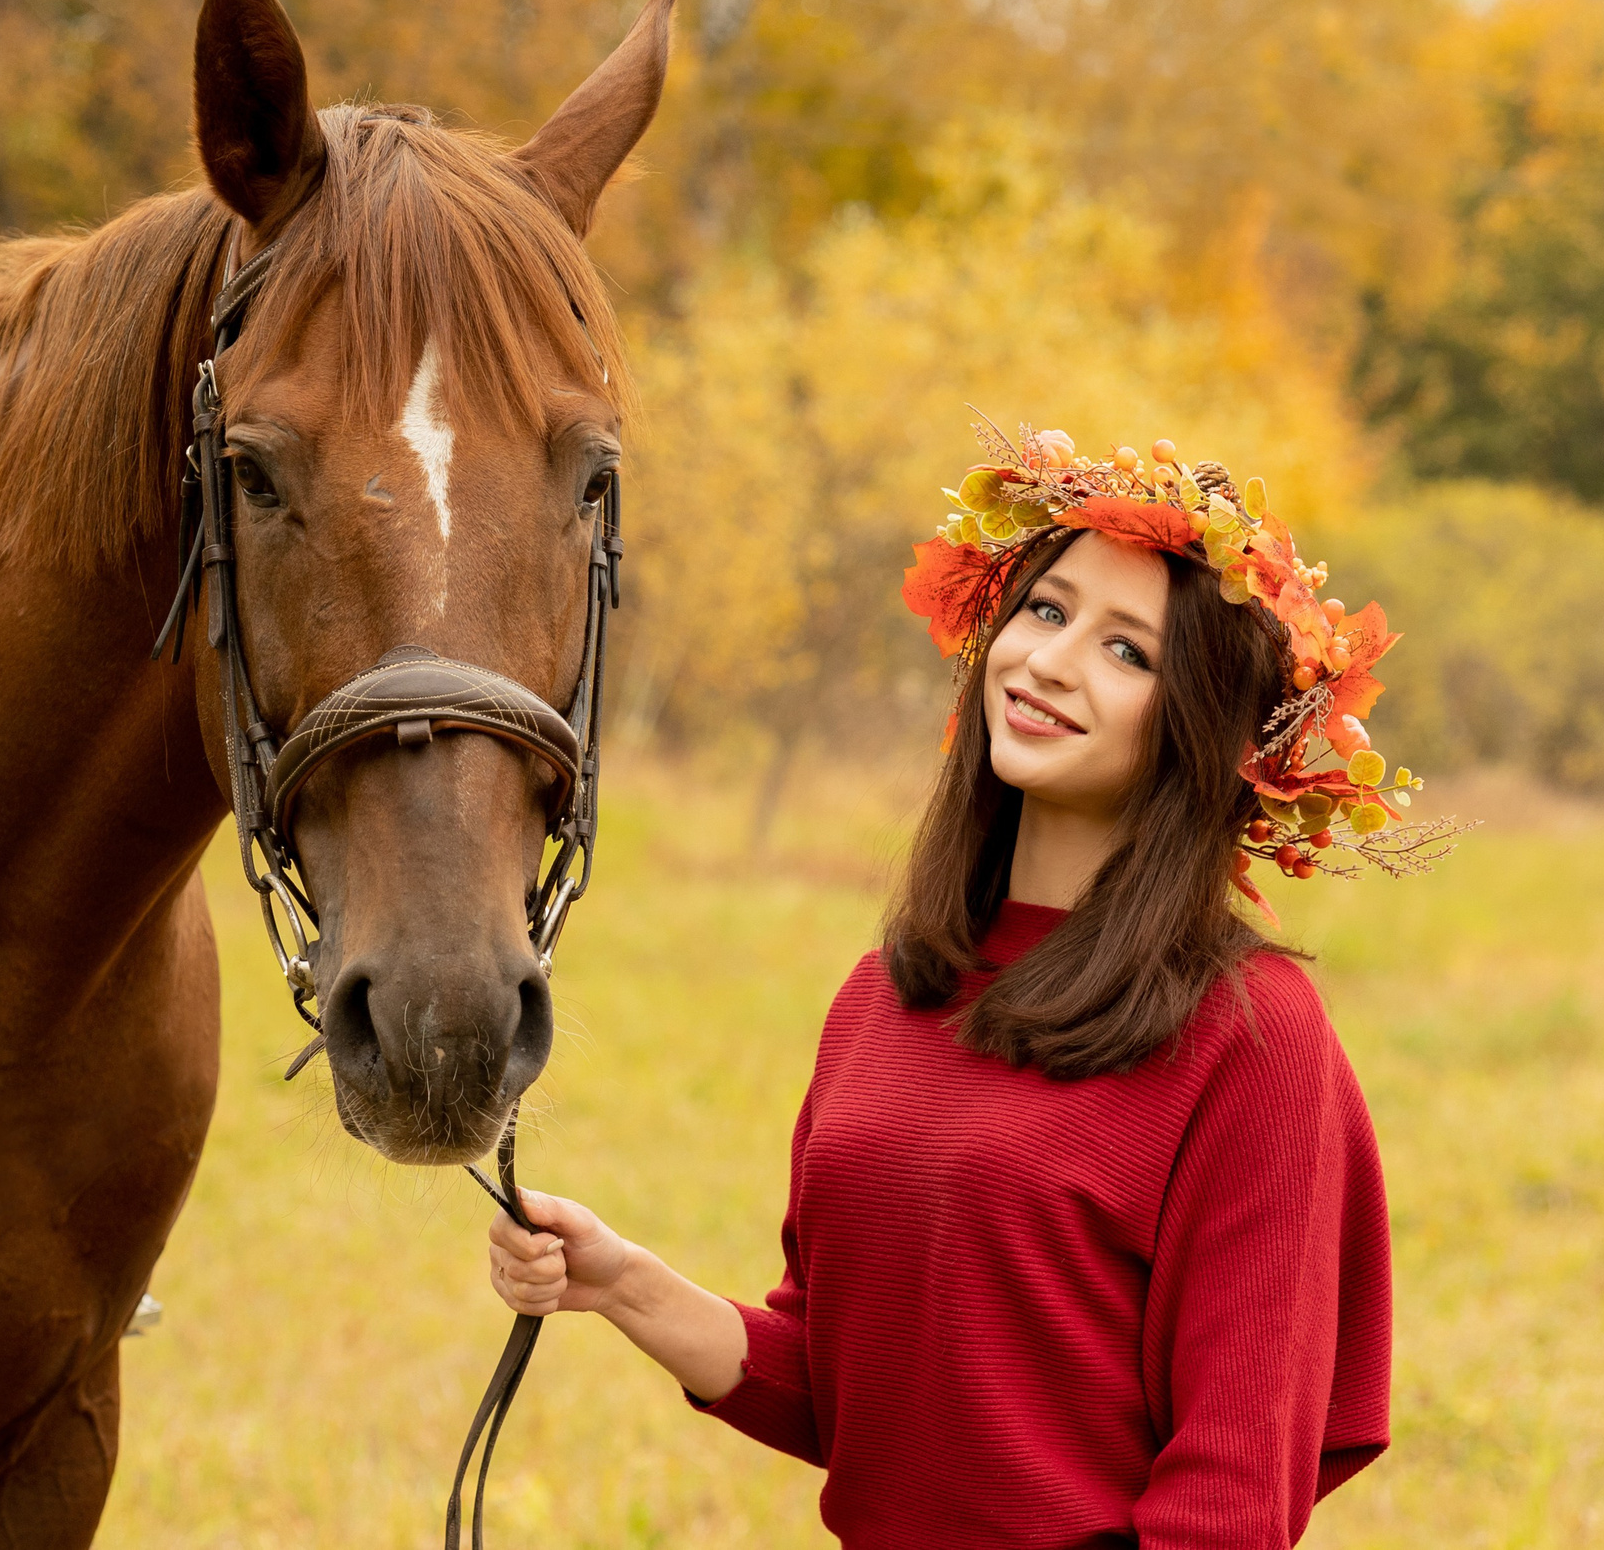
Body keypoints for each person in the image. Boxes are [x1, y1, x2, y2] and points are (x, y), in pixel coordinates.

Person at [486, 428, 1454, 1547]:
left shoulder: (1248, 1037)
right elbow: (852, 1388)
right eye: (1045, 611)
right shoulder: (885, 997)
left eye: (1126, 651)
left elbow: (1230, 1498)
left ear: (1200, 726)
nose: (1047, 661)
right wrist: (626, 1286)